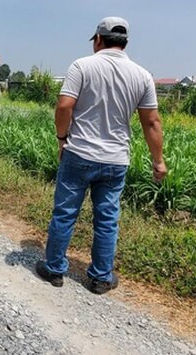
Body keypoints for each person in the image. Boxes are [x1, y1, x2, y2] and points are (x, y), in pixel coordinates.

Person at [35, 17, 167, 294]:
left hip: (79, 153)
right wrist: (158, 160)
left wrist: (62, 139)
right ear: (125, 42)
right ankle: (100, 277)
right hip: (116, 159)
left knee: (65, 212)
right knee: (107, 218)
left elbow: (64, 106)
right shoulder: (142, 75)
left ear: (98, 39)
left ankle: (55, 269)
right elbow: (152, 122)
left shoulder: (82, 66)